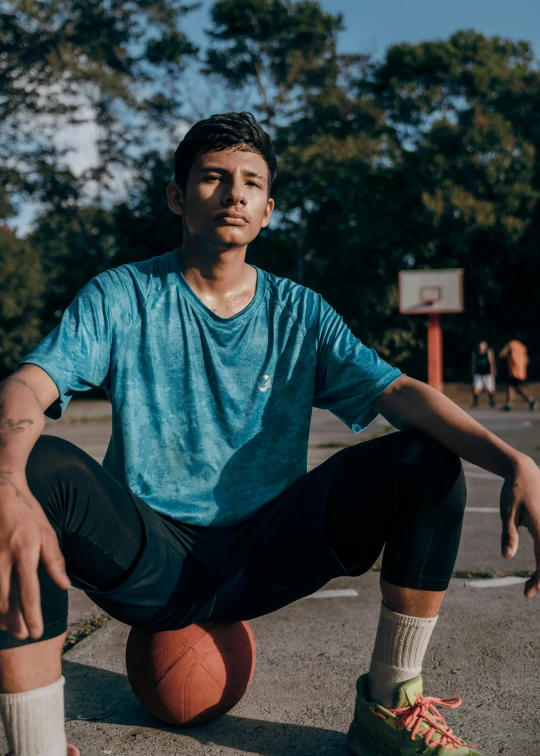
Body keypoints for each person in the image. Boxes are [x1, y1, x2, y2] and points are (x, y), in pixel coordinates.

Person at [0, 113, 539, 756]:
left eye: (250, 183)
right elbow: (29, 384)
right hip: (150, 558)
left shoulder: (300, 312)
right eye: (213, 177)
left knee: (426, 461)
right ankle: (34, 746)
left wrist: (514, 462)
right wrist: (7, 483)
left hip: (266, 554)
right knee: (36, 473)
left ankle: (389, 707)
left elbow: (398, 393)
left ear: (267, 210)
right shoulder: (122, 295)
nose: (233, 193)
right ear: (177, 196)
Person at [499, 336, 538, 411]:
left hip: (514, 370)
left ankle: (532, 400)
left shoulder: (511, 344)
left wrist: (506, 357)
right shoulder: (522, 347)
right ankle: (509, 404)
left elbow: (502, 353)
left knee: (519, 388)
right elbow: (527, 360)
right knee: (511, 387)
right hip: (521, 370)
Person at [471, 341, 497, 408]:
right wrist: (473, 370)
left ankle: (492, 403)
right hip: (478, 373)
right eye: (480, 345)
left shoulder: (488, 353)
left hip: (487, 374)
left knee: (490, 389)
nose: (481, 346)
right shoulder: (475, 353)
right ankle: (475, 403)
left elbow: (492, 362)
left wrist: (493, 370)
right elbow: (473, 363)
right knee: (476, 389)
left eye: (483, 345)